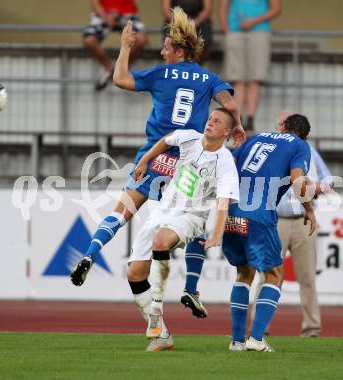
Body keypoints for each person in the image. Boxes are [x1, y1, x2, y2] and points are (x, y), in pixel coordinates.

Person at [71, 7, 245, 318]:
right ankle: (191, 288)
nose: (162, 51)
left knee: (121, 212)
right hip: (186, 164)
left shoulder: (161, 73)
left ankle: (90, 253)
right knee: (194, 221)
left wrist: (125, 47)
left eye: (166, 47)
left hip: (154, 156)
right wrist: (239, 124)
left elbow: (120, 79)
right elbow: (230, 103)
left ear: (179, 50)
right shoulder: (208, 78)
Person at [130, 108, 239, 351]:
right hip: (162, 210)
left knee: (160, 242)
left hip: (192, 215)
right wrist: (145, 160)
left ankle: (156, 309)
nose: (210, 122)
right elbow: (165, 140)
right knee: (135, 274)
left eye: (217, 121)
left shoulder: (225, 162)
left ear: (226, 132)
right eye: (209, 118)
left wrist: (217, 234)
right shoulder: (189, 136)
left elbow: (223, 203)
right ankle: (163, 335)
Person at [222, 113, 316, 351]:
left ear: (283, 127)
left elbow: (228, 164)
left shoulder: (256, 137)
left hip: (230, 212)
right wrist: (309, 209)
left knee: (244, 273)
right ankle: (255, 339)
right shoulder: (301, 146)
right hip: (258, 214)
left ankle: (236, 341)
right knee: (275, 274)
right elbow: (297, 181)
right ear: (304, 135)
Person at [273, 112, 333, 337]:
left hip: (302, 222)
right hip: (276, 220)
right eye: (280, 124)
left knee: (307, 277)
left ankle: (311, 328)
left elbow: (329, 180)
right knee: (269, 274)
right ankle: (260, 326)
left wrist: (316, 188)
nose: (281, 128)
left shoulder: (310, 153)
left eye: (284, 124)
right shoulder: (275, 149)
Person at [218, 0, 282, 133]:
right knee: (237, 79)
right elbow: (223, 6)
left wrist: (254, 21)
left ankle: (250, 119)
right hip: (235, 32)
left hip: (259, 31)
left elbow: (276, 9)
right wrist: (226, 31)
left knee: (255, 78)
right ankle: (237, 118)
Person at [83, 0, 148, 91]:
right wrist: (106, 17)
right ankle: (109, 69)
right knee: (89, 40)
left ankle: (122, 69)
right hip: (103, 14)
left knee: (141, 40)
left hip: (128, 14)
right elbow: (95, 3)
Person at [161, 0, 213, 64]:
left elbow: (207, 9)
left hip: (198, 22)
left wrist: (194, 23)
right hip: (175, 21)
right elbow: (166, 10)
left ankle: (198, 64)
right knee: (169, 30)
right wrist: (180, 23)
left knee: (205, 32)